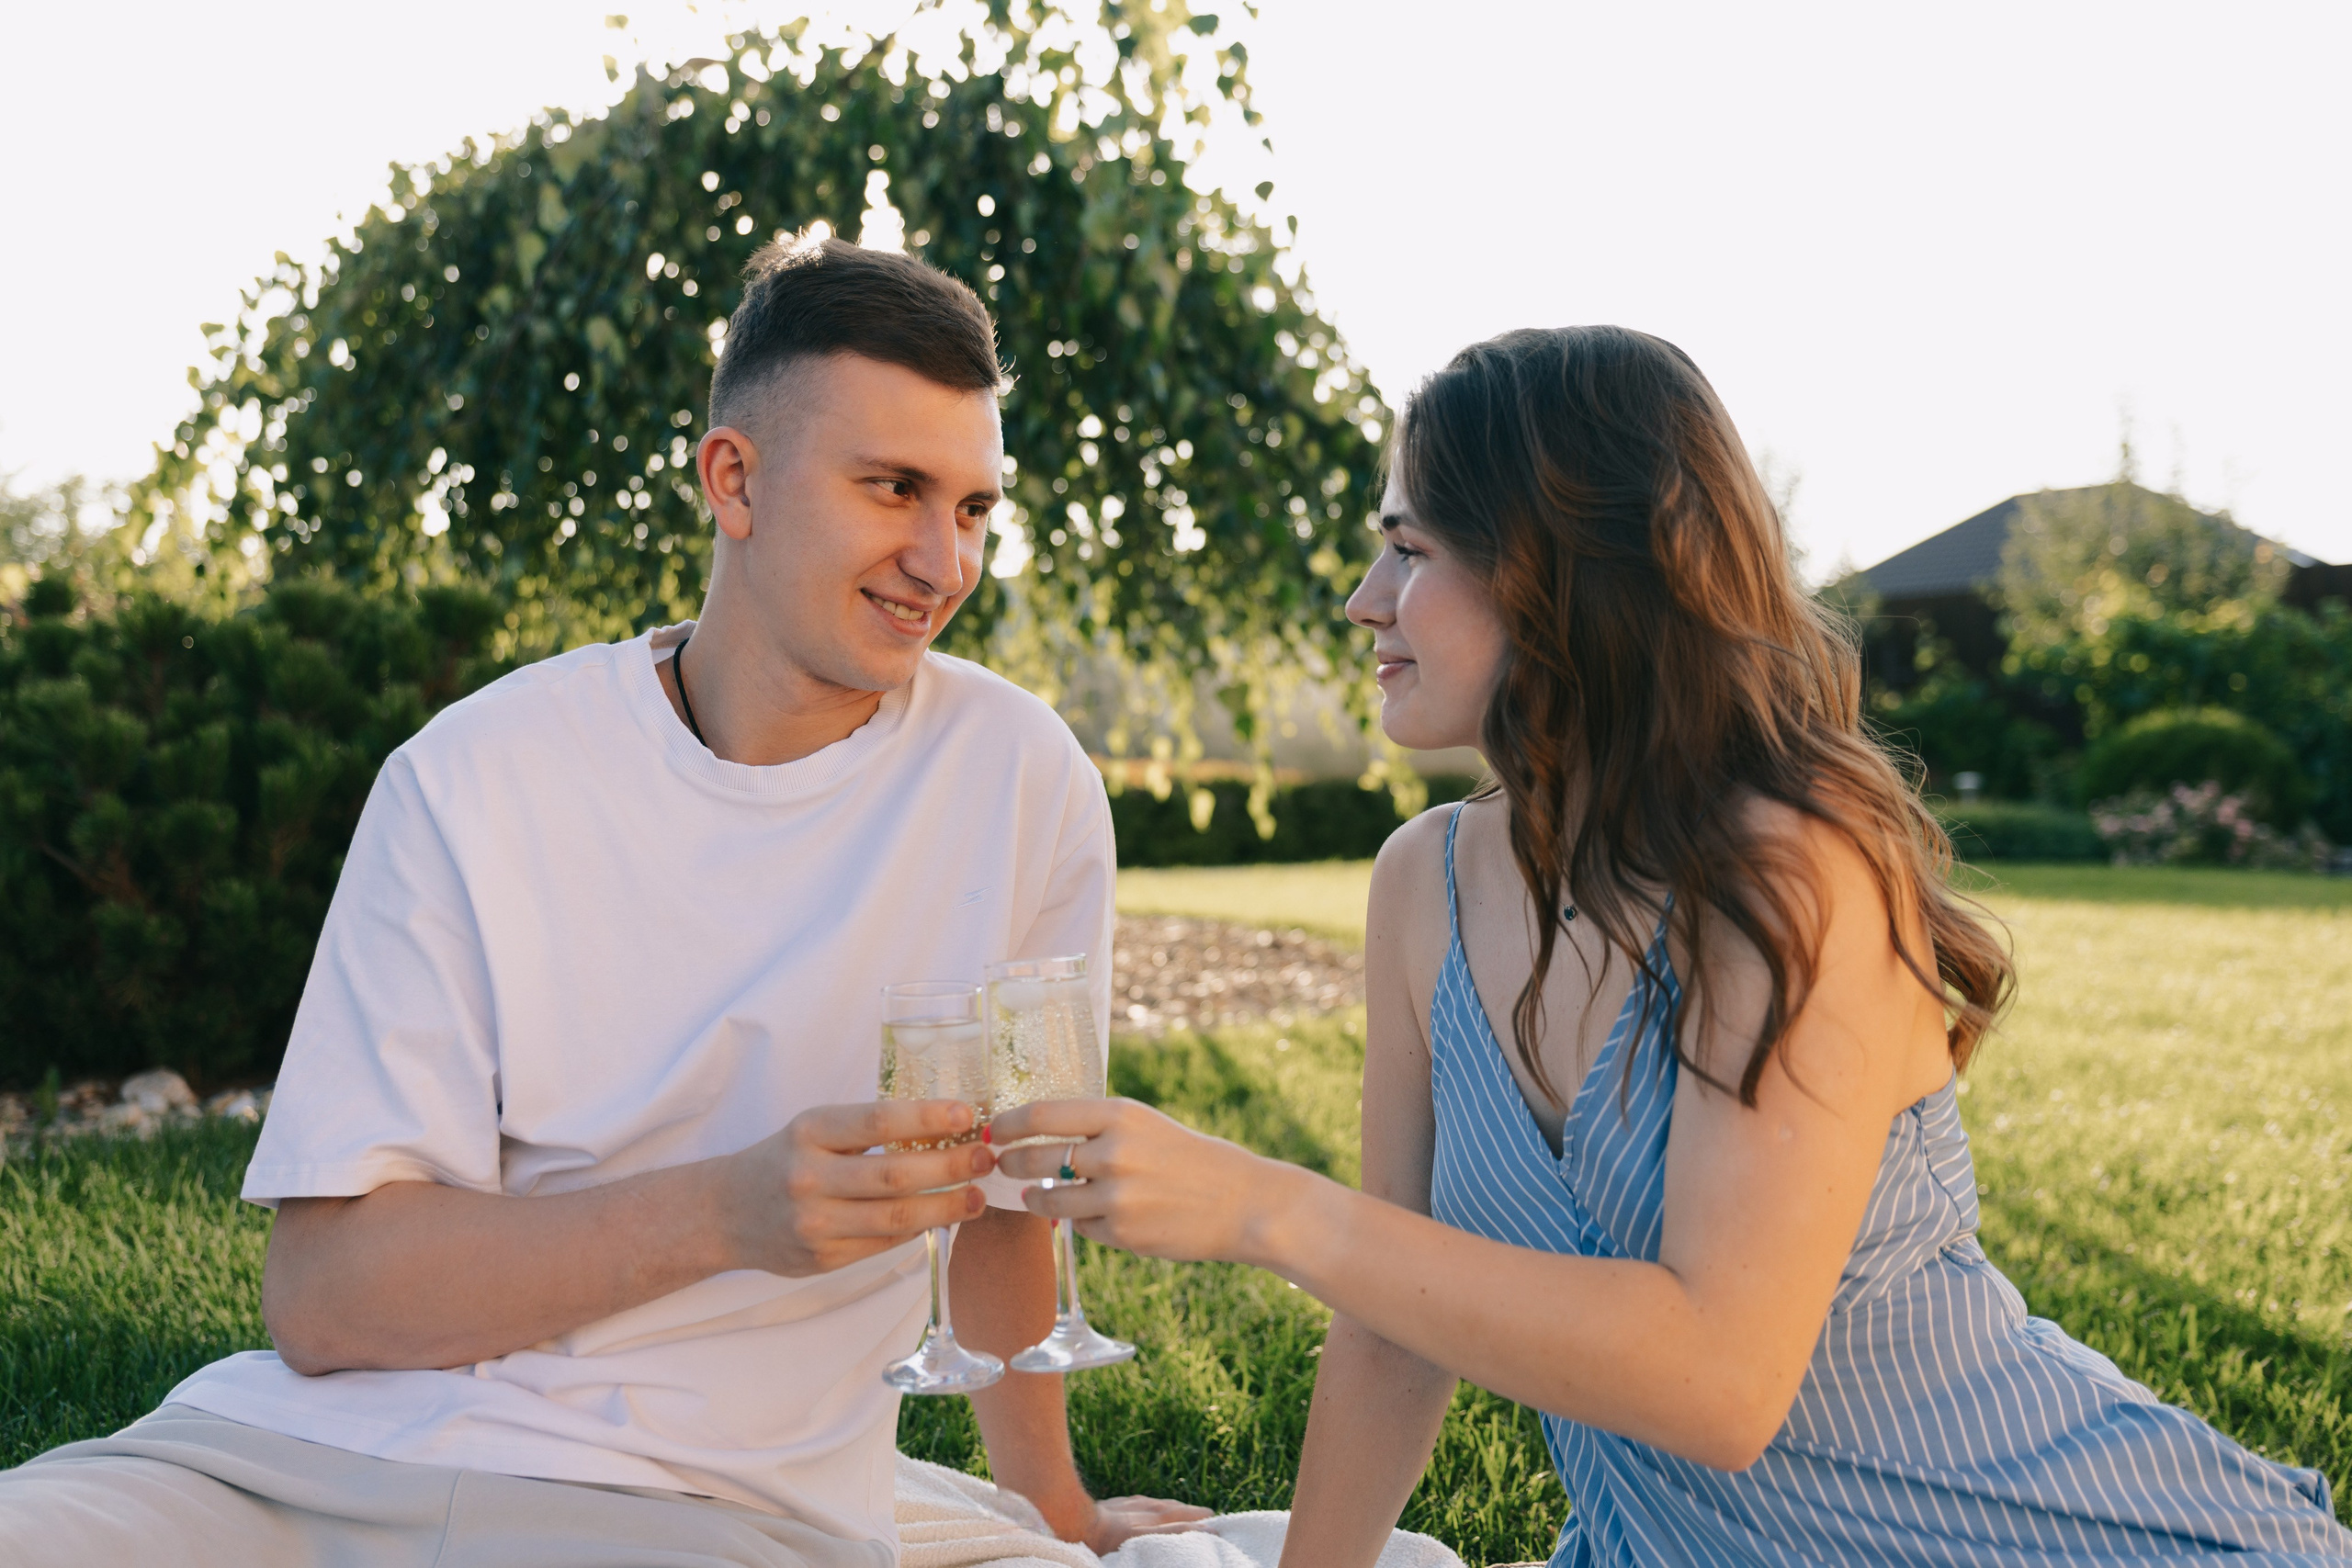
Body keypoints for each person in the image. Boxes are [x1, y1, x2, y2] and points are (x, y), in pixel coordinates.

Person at [991, 327, 2352, 1565]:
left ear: (1556, 571)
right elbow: (1395, 1325)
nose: (1364, 598)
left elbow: (1720, 1383)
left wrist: (1267, 1207)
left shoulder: (1794, 871)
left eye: (1410, 550)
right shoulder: (1428, 883)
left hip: (2022, 1533)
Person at [0, 233, 1204, 1565]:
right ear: (731, 480)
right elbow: (326, 1299)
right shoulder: (473, 773)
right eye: (893, 489)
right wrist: (729, 1213)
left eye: (973, 507)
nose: (943, 560)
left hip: (705, 1513)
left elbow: (1010, 1197)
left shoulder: (1016, 780)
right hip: (292, 1467)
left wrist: (1055, 1512)